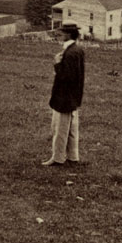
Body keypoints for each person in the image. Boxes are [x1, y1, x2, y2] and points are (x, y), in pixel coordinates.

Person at [42, 19, 85, 166]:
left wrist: (57, 64)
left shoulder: (70, 53)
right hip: (72, 97)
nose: (58, 35)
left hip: (64, 97)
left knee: (60, 129)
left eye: (61, 33)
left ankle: (58, 158)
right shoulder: (77, 50)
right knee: (72, 129)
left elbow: (67, 77)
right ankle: (73, 157)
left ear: (69, 34)